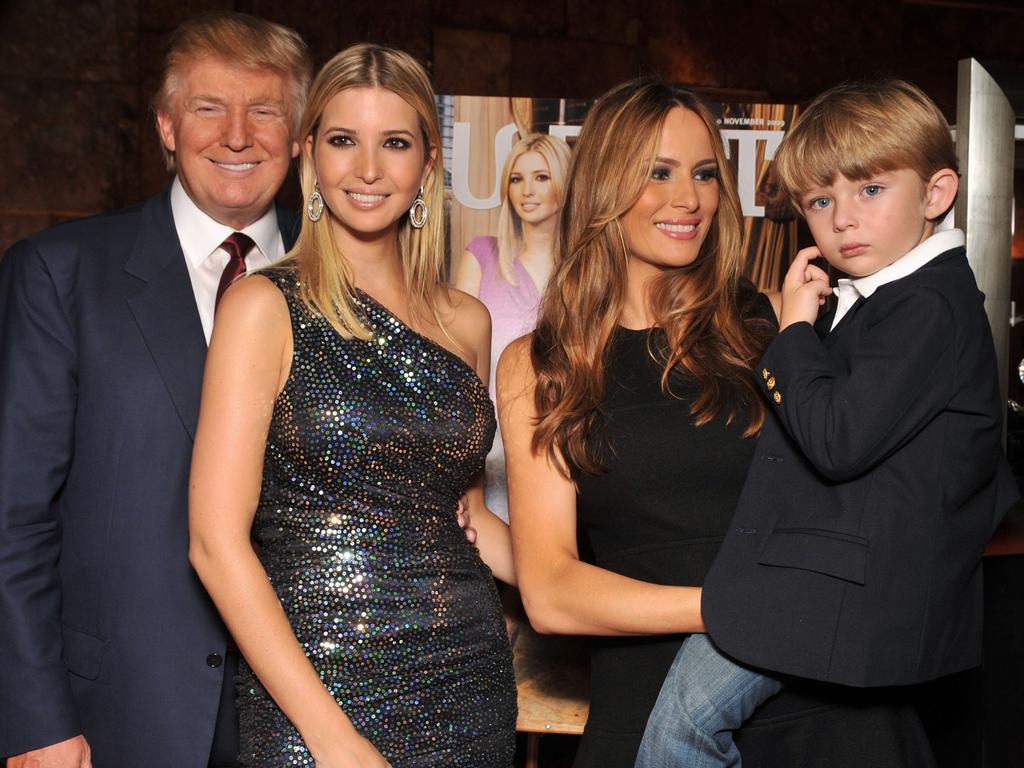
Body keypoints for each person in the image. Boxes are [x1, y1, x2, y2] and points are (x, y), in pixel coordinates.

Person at [498, 77, 938, 768]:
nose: (690, 198)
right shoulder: (542, 363)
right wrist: (738, 608)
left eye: (705, 173)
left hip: (823, 708)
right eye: (658, 173)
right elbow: (552, 593)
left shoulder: (780, 320)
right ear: (604, 187)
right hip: (650, 707)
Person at [637, 79, 1018, 768]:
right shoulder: (898, 299)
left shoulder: (926, 306)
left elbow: (837, 440)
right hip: (818, 590)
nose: (843, 219)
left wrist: (792, 332)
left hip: (830, 595)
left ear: (936, 195)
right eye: (820, 200)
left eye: (870, 190)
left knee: (682, 729)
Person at [188, 43, 517, 768]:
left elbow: (470, 520)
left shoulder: (467, 321)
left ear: (429, 163)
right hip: (314, 693)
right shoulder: (262, 307)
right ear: (310, 154)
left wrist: (597, 578)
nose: (368, 169)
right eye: (344, 141)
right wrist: (330, 737)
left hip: (468, 680)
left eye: (395, 143)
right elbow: (214, 544)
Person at [0, 12, 311, 768]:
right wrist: (35, 720)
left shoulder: (348, 282)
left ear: (300, 135)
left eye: (264, 110)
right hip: (119, 716)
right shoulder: (61, 274)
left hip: (318, 707)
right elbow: (14, 517)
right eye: (209, 107)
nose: (237, 135)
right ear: (168, 126)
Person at [455, 133, 571, 521]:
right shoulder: (482, 257)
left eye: (540, 177)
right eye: (517, 179)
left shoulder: (588, 271)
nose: (526, 190)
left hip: (571, 452)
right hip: (492, 461)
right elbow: (454, 371)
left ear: (564, 182)